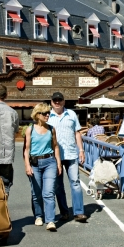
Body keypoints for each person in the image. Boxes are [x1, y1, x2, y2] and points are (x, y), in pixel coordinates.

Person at [48, 92, 87, 222]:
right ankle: (64, 212)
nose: (57, 102)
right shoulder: (48, 116)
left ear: (64, 101)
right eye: (55, 100)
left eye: (60, 100)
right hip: (55, 156)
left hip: (71, 153)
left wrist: (81, 150)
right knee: (58, 185)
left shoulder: (71, 114)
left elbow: (77, 133)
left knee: (75, 183)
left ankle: (79, 212)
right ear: (51, 102)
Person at [24, 103, 62, 231]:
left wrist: (58, 163)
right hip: (35, 163)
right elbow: (26, 149)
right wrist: (27, 165)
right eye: (45, 113)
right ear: (37, 115)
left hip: (49, 161)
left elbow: (55, 146)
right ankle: (39, 215)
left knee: (49, 192)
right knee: (36, 193)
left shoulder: (51, 129)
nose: (47, 115)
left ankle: (50, 220)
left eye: (48, 113)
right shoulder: (30, 129)